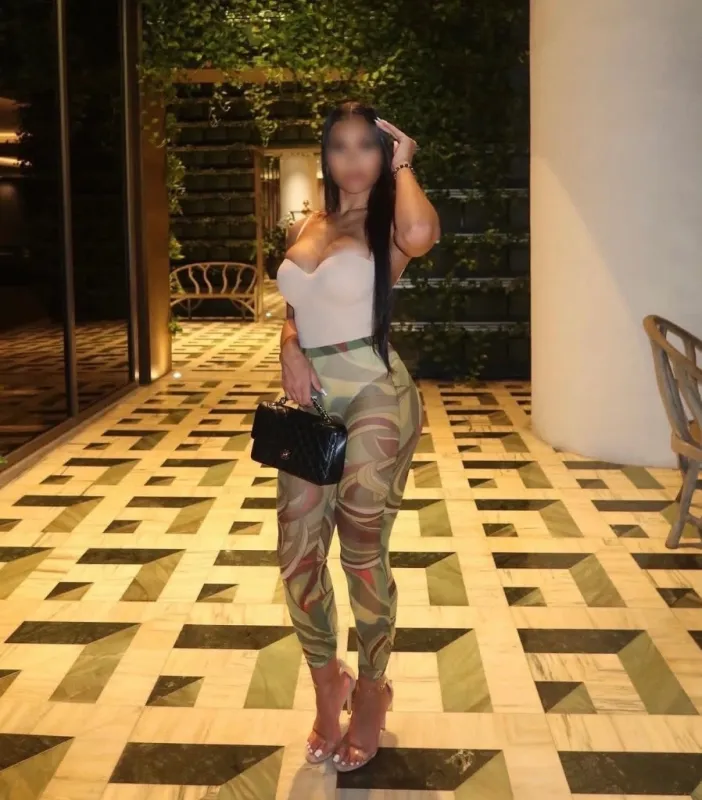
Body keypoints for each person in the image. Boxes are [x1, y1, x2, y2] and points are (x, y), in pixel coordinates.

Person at [275, 101, 440, 772]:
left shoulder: (390, 225)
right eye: (339, 146)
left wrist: (405, 165)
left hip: (374, 391)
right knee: (296, 554)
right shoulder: (310, 221)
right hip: (314, 401)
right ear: (326, 154)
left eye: (365, 147)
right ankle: (327, 681)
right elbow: (297, 306)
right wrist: (288, 345)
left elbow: (423, 233)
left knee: (362, 550)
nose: (351, 159)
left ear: (382, 155)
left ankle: (372, 689)